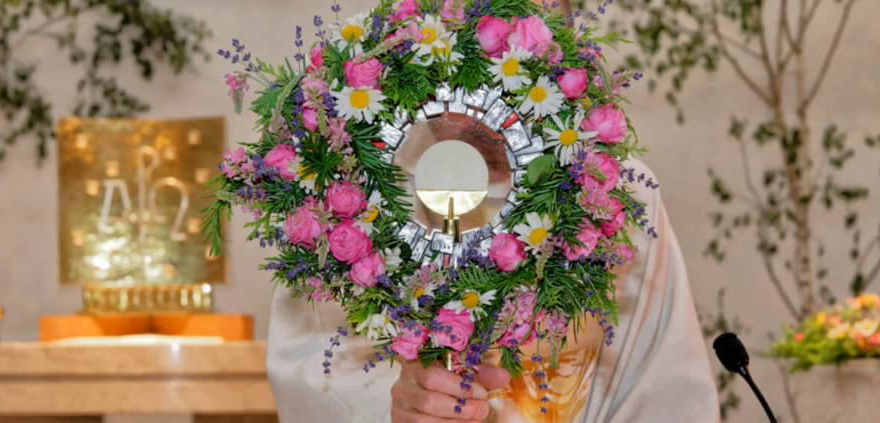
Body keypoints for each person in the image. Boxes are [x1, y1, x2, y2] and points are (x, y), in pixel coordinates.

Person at [266, 158, 720, 422]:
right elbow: (314, 366)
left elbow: (662, 376)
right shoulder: (359, 191)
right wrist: (400, 407)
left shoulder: (613, 188)